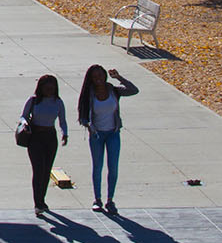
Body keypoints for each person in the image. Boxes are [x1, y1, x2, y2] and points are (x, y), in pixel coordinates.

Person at [77, 64, 140, 215]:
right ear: (91, 79)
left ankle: (110, 200)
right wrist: (89, 126)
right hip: (97, 135)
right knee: (97, 167)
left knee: (113, 167)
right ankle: (97, 199)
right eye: (95, 76)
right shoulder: (89, 94)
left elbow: (134, 90)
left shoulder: (113, 91)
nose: (98, 79)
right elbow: (83, 116)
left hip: (113, 133)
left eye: (101, 75)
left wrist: (118, 77)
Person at [20, 74, 69, 217]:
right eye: (46, 88)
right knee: (38, 169)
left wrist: (64, 133)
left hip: (50, 137)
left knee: (46, 170)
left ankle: (42, 199)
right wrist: (24, 124)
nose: (49, 90)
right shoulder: (34, 101)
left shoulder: (58, 102)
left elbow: (62, 120)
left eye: (52, 88)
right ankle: (38, 203)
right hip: (35, 136)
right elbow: (23, 115)